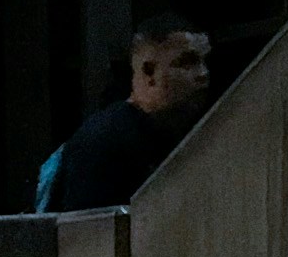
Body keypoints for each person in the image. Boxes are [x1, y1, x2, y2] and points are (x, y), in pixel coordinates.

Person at [41, 19, 214, 213]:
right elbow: (87, 233)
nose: (203, 73)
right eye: (186, 63)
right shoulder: (105, 138)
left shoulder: (174, 135)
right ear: (150, 73)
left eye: (205, 61)